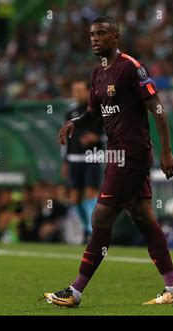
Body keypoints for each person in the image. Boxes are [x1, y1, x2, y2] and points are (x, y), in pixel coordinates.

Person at [44, 16, 173, 307]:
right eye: (92, 34)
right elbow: (94, 113)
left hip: (130, 155)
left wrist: (166, 151)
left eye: (101, 33)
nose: (95, 38)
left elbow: (157, 109)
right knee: (144, 219)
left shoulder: (132, 68)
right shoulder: (97, 74)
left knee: (100, 218)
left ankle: (76, 291)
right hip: (116, 154)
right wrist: (75, 122)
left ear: (116, 37)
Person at [61, 79, 103, 238]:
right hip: (74, 159)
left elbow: (109, 133)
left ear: (88, 91)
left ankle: (94, 231)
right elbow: (64, 138)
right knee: (74, 196)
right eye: (74, 90)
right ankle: (81, 230)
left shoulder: (98, 109)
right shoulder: (70, 112)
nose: (76, 94)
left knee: (91, 192)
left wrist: (97, 138)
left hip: (92, 157)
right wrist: (65, 160)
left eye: (79, 90)